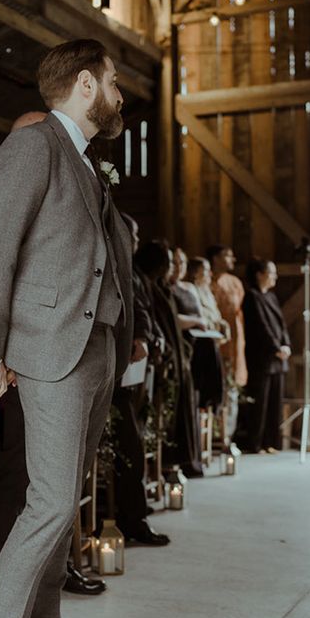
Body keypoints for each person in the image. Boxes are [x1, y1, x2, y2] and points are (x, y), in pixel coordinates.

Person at [0, 39, 134, 618]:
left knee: (68, 504)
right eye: (114, 81)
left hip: (96, 349)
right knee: (51, 504)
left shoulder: (87, 159)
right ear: (86, 85)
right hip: (47, 348)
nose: (120, 94)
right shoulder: (34, 144)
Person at [0, 110, 110, 597]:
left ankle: (47, 587)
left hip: (75, 345)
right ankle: (5, 572)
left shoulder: (80, 171)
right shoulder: (26, 159)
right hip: (28, 351)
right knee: (24, 474)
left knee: (55, 488)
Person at [110, 214, 170, 545]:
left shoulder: (131, 271)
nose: (134, 243)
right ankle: (127, 519)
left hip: (125, 376)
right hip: (105, 374)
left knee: (130, 445)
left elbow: (142, 311)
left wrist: (147, 336)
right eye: (130, 236)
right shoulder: (112, 265)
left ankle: (132, 518)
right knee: (128, 446)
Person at [136, 241, 203, 478]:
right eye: (167, 261)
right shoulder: (147, 286)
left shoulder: (161, 287)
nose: (170, 267)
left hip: (177, 356)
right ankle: (167, 464)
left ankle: (183, 462)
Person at [237, 258, 291, 453]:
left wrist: (285, 344)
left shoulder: (271, 297)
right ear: (260, 274)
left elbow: (281, 324)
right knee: (260, 401)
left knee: (275, 402)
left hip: (278, 356)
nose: (275, 276)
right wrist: (275, 347)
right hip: (262, 356)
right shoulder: (252, 296)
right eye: (271, 272)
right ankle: (255, 443)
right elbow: (261, 326)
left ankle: (271, 442)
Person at [171, 248, 223, 410]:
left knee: (210, 347)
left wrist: (204, 323)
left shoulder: (190, 287)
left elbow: (202, 315)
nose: (180, 267)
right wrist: (195, 321)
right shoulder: (167, 288)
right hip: (181, 339)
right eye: (175, 262)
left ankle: (210, 401)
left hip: (200, 335)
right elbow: (171, 318)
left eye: (183, 263)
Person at [207, 244, 247, 387]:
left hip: (234, 333)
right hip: (214, 331)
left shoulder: (235, 282)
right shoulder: (206, 280)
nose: (233, 259)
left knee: (232, 372)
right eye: (228, 255)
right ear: (216, 259)